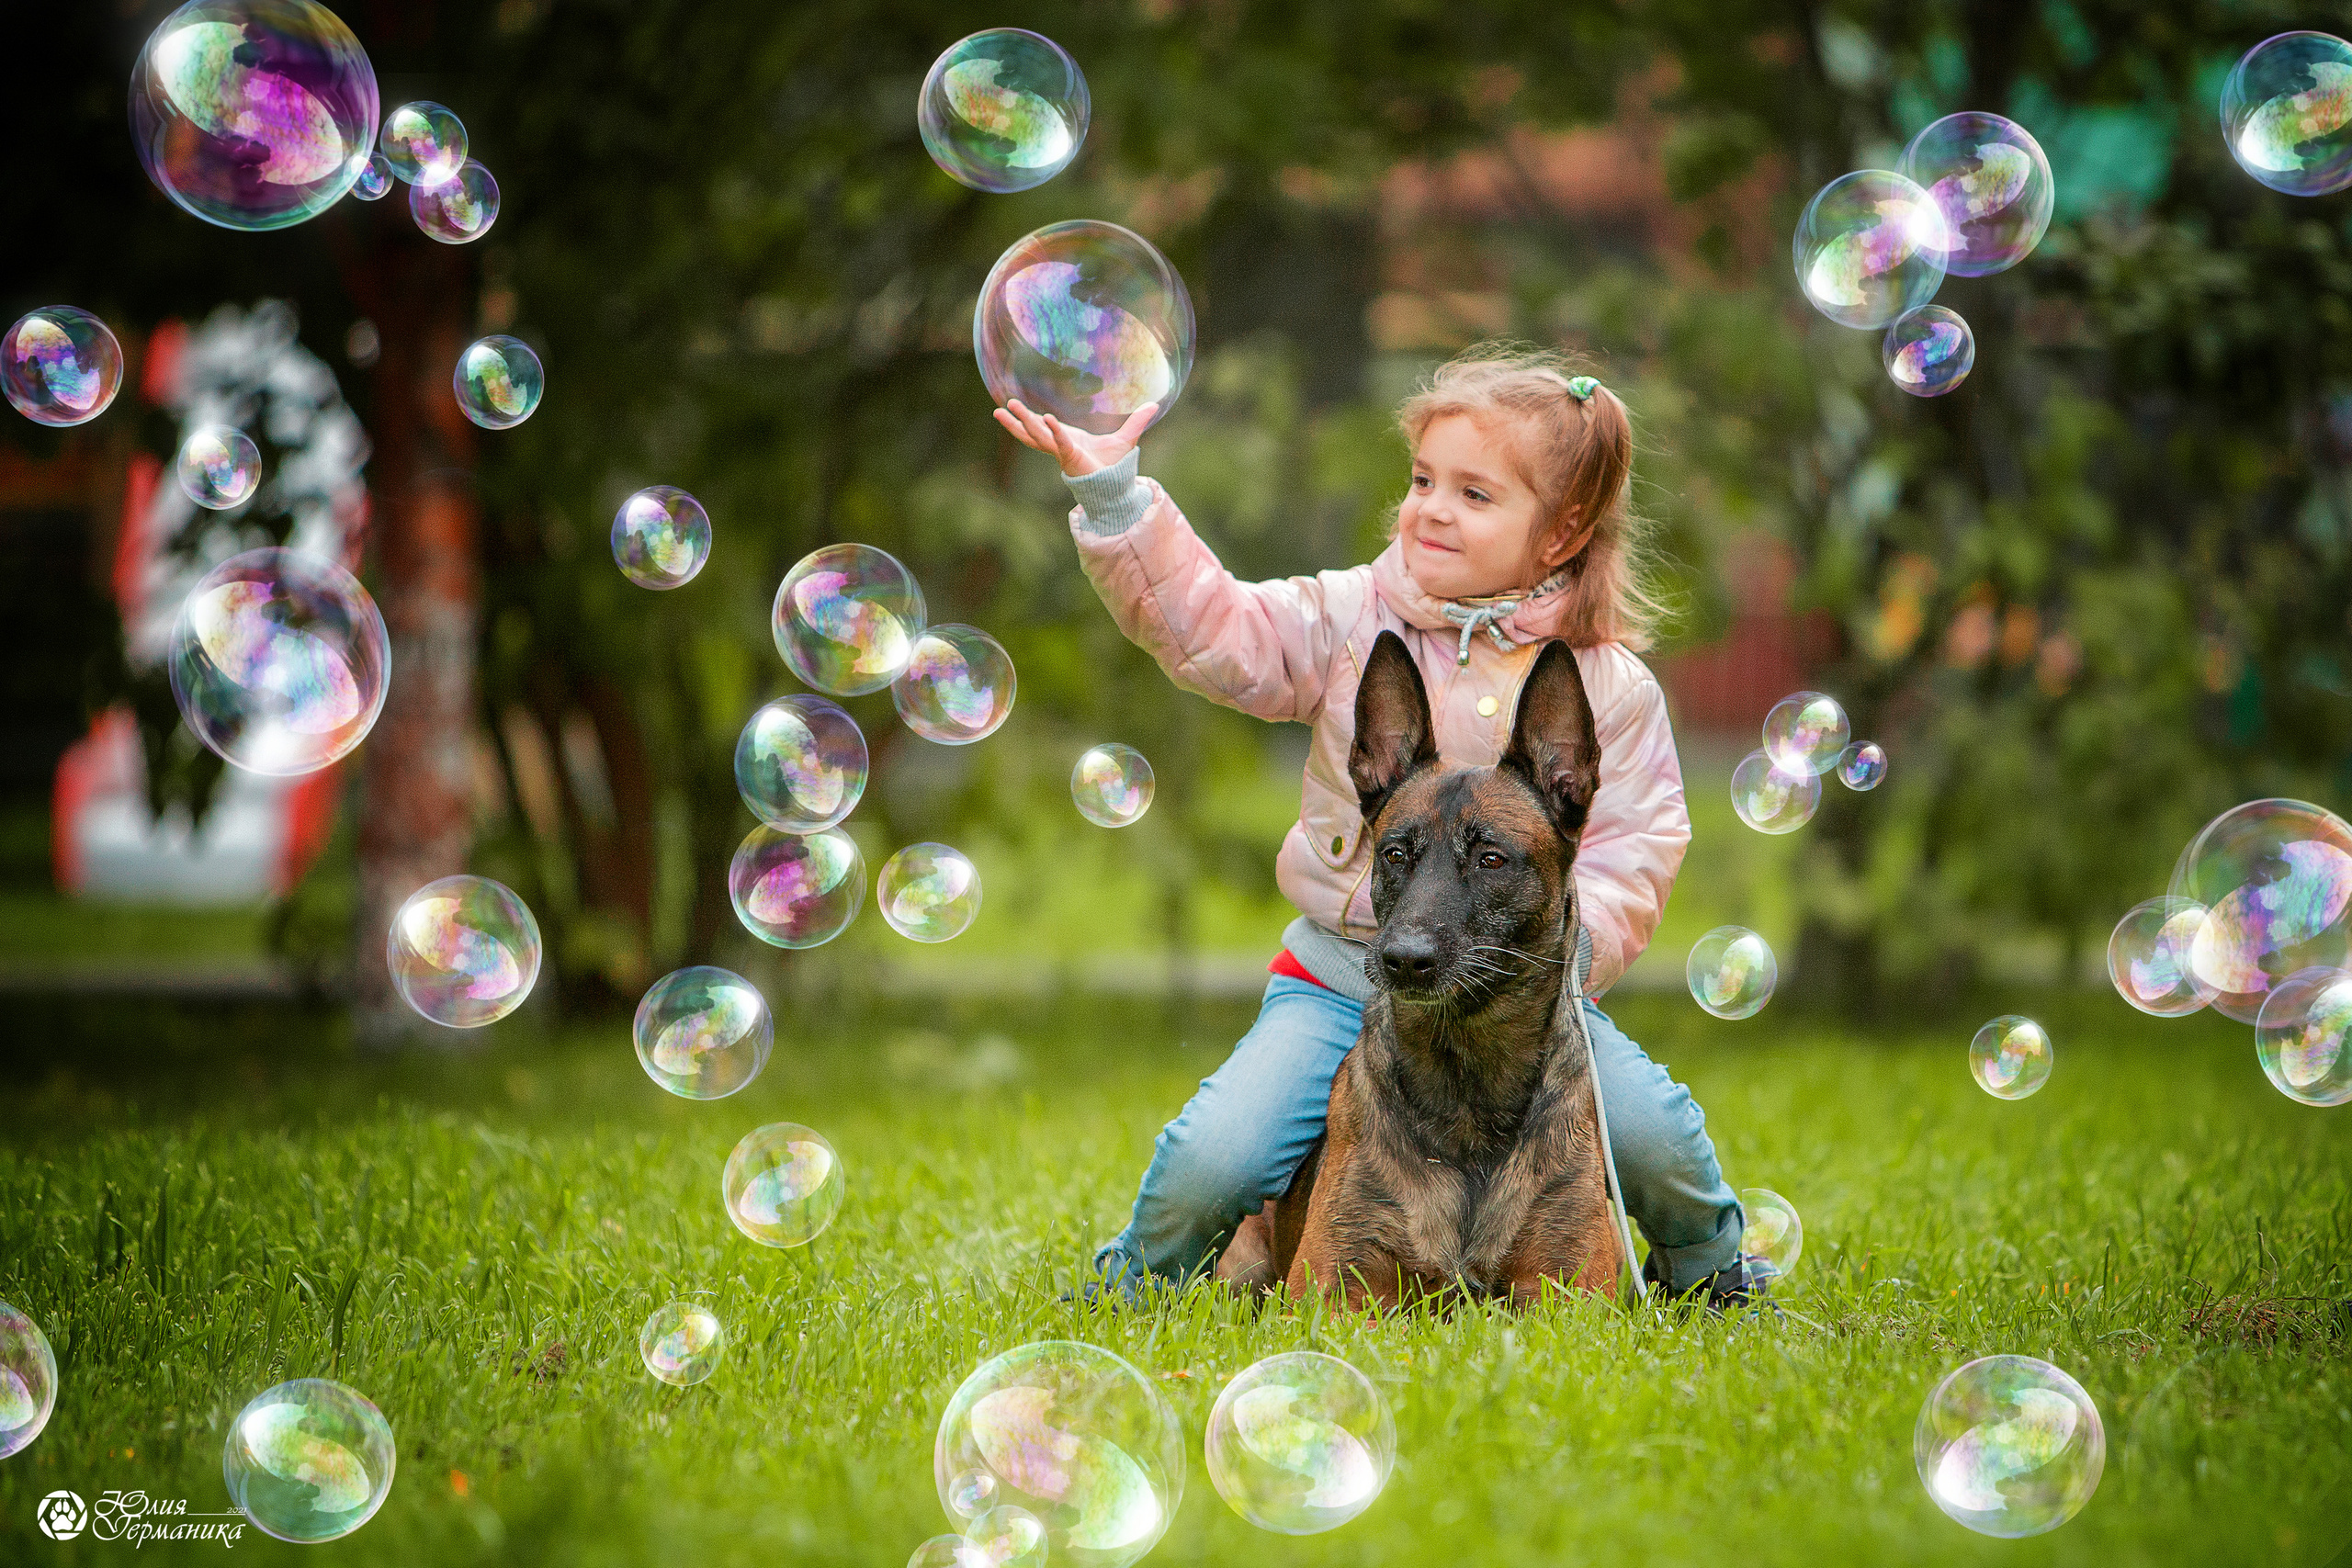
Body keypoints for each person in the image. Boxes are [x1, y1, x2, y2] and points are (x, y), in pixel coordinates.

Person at [995, 343, 1759, 1307]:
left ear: (1562, 530)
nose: (1432, 507)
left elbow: (1636, 846)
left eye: (1475, 494)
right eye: (1422, 479)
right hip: (1342, 973)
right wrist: (1117, 503)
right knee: (1214, 1152)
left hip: (1527, 996)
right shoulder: (1347, 618)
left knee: (1654, 1131)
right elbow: (1213, 628)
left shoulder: (1607, 685)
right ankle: (1132, 1287)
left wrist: (1572, 955)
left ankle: (1712, 1273)